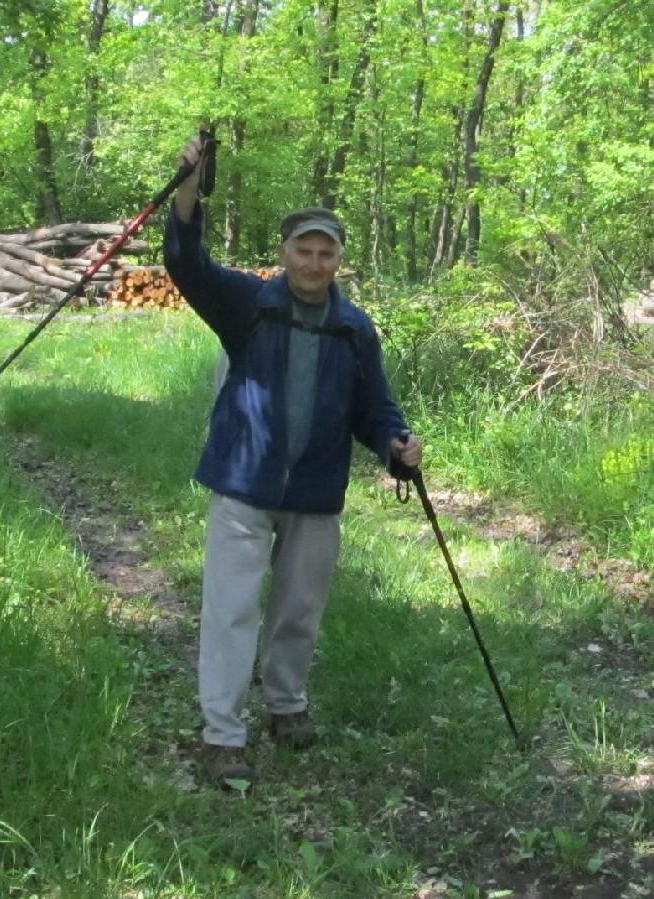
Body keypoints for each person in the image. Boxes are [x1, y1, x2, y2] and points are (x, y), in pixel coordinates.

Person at [163, 135, 422, 788]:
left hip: (313, 491)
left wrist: (396, 447)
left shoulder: (354, 328)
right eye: (302, 249)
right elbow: (186, 263)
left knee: (298, 609)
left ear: (338, 258)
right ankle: (222, 734)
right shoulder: (247, 304)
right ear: (283, 253)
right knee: (230, 608)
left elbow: (375, 409)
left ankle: (285, 704)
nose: (312, 260)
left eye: (324, 251)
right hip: (243, 482)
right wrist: (188, 184)